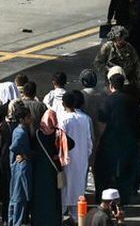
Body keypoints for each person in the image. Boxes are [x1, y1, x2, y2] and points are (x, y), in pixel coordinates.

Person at [93, 74, 138, 204]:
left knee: (104, 174)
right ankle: (123, 200)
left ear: (111, 85)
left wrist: (97, 143)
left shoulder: (106, 101)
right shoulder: (132, 101)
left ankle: (103, 200)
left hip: (109, 143)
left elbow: (102, 124)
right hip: (127, 144)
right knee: (124, 174)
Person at [56, 91, 92, 223]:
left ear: (63, 103)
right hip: (81, 160)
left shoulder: (63, 119)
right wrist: (85, 156)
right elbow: (89, 141)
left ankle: (60, 215)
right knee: (78, 189)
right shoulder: (84, 118)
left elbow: (59, 141)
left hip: (67, 160)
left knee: (64, 189)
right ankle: (76, 218)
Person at [32, 110, 66, 226]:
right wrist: (58, 153)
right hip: (53, 169)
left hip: (40, 169)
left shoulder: (37, 134)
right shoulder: (58, 133)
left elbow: (32, 149)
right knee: (53, 197)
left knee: (40, 196)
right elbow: (71, 143)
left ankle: (39, 221)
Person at [6, 106, 33, 226]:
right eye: (28, 117)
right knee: (19, 198)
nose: (30, 119)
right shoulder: (21, 132)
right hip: (21, 168)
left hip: (17, 167)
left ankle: (12, 221)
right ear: (22, 119)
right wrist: (24, 155)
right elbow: (14, 147)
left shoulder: (19, 130)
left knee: (15, 197)